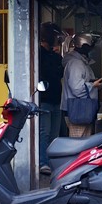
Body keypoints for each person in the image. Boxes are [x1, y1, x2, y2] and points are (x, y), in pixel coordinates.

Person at [60, 32, 102, 138]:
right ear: (83, 46)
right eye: (89, 46)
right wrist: (93, 85)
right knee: (78, 144)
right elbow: (77, 89)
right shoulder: (75, 63)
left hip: (81, 109)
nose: (91, 49)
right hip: (77, 110)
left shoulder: (81, 62)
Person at [37, 22, 65, 175]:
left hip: (55, 99)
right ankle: (43, 162)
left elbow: (59, 72)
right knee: (45, 133)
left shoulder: (53, 56)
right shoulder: (39, 55)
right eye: (56, 36)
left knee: (53, 134)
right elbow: (56, 72)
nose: (58, 40)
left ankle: (51, 162)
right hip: (45, 100)